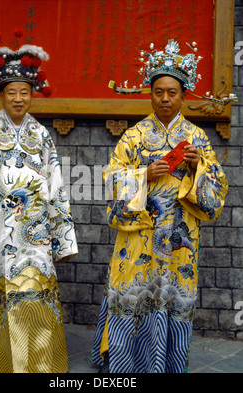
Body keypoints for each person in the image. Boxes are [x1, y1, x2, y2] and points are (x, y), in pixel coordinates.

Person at [91, 40, 228, 373]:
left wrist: (198, 168)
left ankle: (167, 364)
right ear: (149, 94)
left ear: (183, 95)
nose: (165, 99)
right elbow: (110, 179)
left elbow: (218, 189)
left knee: (172, 299)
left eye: (172, 92)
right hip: (138, 236)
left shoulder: (197, 138)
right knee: (132, 296)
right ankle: (125, 367)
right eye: (158, 92)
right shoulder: (134, 137)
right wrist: (143, 175)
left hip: (180, 237)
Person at [0, 34, 78, 373]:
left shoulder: (40, 134)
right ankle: (1, 363)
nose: (18, 99)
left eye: (24, 92)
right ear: (0, 94)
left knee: (35, 290)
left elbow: (56, 185)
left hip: (35, 232)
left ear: (32, 94)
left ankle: (41, 364)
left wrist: (62, 238)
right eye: (11, 92)